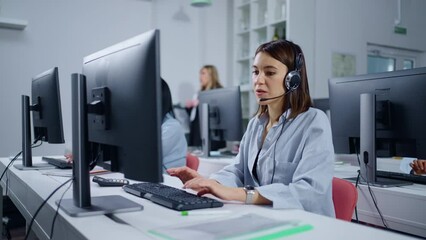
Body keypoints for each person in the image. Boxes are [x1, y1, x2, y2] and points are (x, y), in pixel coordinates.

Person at [168, 40, 335, 217]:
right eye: (255, 72)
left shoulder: (314, 122)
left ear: (292, 80)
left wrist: (242, 195)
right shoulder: (256, 124)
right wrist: (209, 182)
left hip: (307, 225)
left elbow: (309, 191)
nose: (258, 80)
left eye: (269, 73)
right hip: (265, 217)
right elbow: (238, 171)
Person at [66, 79, 187, 172]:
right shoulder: (144, 125)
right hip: (146, 184)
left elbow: (139, 156)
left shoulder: (171, 127)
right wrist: (86, 153)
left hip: (168, 185)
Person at [185, 65, 226, 150]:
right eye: (200, 73)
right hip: (197, 133)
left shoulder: (219, 91)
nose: (200, 76)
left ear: (211, 75)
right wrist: (190, 107)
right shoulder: (199, 92)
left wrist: (201, 103)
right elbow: (194, 116)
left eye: (203, 73)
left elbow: (219, 113)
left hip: (212, 136)